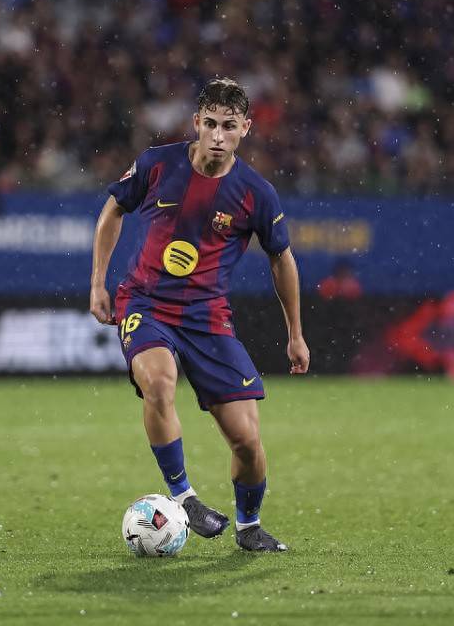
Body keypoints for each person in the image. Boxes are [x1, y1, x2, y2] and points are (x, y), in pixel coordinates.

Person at [89, 78, 310, 552]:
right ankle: (183, 498)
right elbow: (112, 211)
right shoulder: (157, 164)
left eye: (228, 126)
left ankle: (249, 527)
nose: (217, 136)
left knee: (247, 441)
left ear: (245, 128)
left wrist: (295, 333)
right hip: (145, 303)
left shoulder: (256, 193)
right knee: (159, 383)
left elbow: (282, 259)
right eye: (209, 124)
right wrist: (98, 284)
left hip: (208, 318)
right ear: (196, 123)